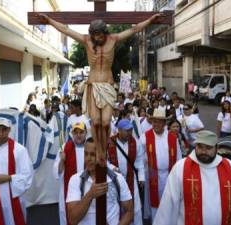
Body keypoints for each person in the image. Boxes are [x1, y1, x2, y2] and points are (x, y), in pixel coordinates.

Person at [40, 12, 164, 166]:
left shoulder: (113, 39)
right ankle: (99, 150)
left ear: (105, 33)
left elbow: (134, 29)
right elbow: (66, 30)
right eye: (93, 35)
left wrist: (151, 20)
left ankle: (103, 148)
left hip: (107, 85)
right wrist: (49, 21)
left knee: (106, 123)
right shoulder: (86, 40)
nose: (96, 38)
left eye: (99, 35)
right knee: (96, 121)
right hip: (92, 85)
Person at [153, 130, 231, 225]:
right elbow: (168, 204)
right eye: (200, 147)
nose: (203, 151)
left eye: (208, 147)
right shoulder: (180, 168)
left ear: (216, 148)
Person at [66, 138, 134, 225]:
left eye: (93, 155)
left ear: (104, 156)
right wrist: (90, 195)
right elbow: (72, 219)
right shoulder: (75, 180)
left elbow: (129, 212)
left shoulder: (117, 178)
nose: (88, 158)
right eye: (86, 154)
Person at [0, 117, 33, 225]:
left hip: (13, 199)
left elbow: (28, 175)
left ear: (9, 130)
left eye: (4, 129)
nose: (1, 133)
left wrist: (9, 178)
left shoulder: (19, 150)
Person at [139, 109, 182, 220]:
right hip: (152, 175)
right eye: (154, 122)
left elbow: (178, 157)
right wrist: (142, 176)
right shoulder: (145, 137)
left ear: (164, 123)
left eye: (159, 122)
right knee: (154, 204)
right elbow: (139, 158)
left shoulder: (172, 138)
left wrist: (178, 176)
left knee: (169, 201)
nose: (156, 124)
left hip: (169, 175)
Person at [108, 119, 146, 225]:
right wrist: (112, 168)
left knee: (135, 207)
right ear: (119, 130)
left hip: (131, 179)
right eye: (126, 130)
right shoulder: (110, 142)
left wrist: (141, 177)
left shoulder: (135, 142)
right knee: (117, 207)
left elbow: (139, 160)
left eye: (130, 130)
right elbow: (105, 161)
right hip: (114, 181)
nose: (129, 132)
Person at [53, 122, 88, 225]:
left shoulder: (90, 146)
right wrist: (62, 161)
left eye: (81, 132)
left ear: (86, 133)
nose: (78, 135)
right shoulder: (65, 147)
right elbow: (57, 172)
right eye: (75, 132)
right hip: (69, 190)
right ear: (72, 134)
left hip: (87, 189)